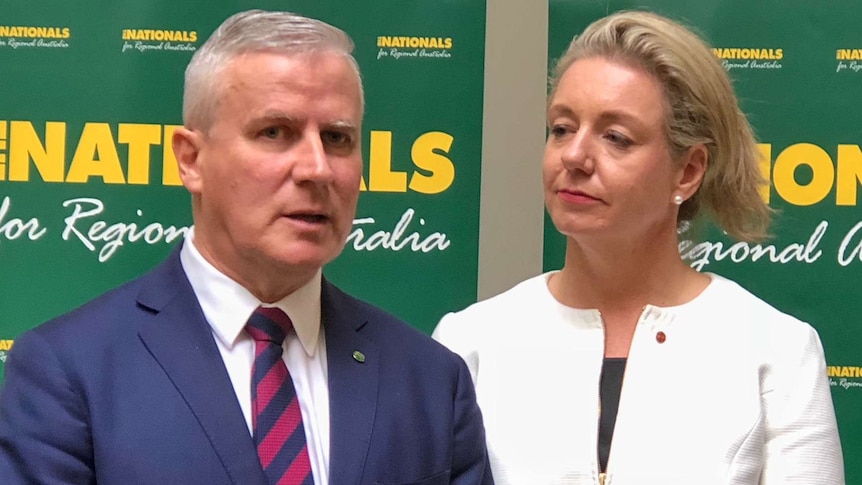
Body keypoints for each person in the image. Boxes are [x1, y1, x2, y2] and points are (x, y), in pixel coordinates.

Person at [0, 10, 492, 485]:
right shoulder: (69, 371)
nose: (317, 169)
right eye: (275, 132)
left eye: (338, 138)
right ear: (190, 160)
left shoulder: (430, 380)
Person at [433, 10, 843, 485]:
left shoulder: (777, 352)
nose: (574, 156)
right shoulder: (471, 342)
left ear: (687, 172)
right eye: (562, 128)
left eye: (616, 137)